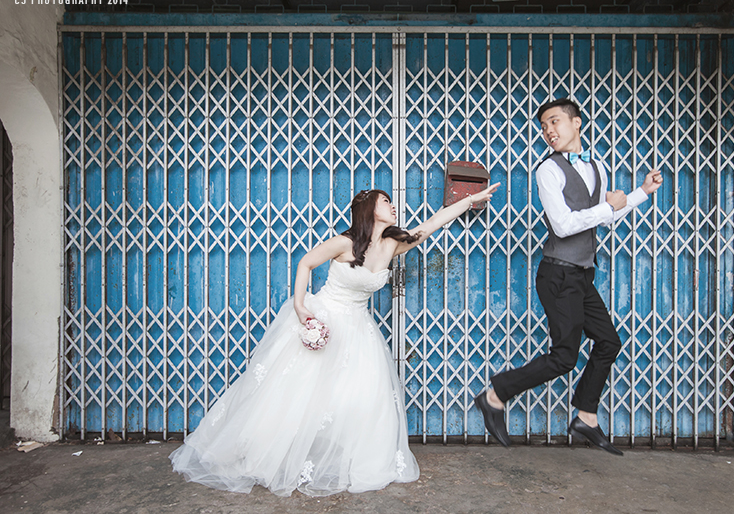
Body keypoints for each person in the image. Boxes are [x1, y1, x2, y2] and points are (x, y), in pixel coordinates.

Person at [170, 182, 499, 496]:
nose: (393, 206)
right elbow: (306, 263)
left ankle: (354, 458)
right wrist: (300, 307)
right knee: (294, 394)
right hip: (326, 317)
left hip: (359, 329)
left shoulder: (392, 245)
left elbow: (433, 223)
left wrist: (470, 201)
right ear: (370, 210)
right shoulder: (343, 243)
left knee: (364, 397)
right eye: (386, 202)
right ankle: (266, 451)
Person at [475, 97, 662, 455]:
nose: (548, 130)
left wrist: (641, 193)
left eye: (555, 121)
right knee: (564, 357)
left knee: (608, 342)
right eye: (544, 125)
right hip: (557, 275)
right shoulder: (548, 170)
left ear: (577, 123)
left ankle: (586, 416)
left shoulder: (596, 166)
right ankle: (495, 395)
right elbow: (562, 226)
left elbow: (605, 216)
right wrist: (609, 206)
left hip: (582, 276)